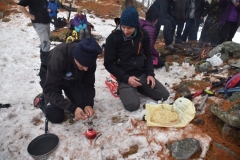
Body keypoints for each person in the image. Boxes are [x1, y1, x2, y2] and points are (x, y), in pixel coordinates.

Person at [104, 7, 169, 112]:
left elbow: (148, 55)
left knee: (164, 95)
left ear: (136, 25)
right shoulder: (113, 38)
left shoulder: (143, 34)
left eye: (129, 28)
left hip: (141, 74)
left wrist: (150, 74)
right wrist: (126, 78)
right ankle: (123, 89)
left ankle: (139, 87)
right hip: (125, 75)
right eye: (123, 27)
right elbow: (108, 63)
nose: (125, 31)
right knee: (133, 106)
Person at [36, 38, 102, 123]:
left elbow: (88, 84)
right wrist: (72, 108)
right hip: (50, 80)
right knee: (55, 116)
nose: (86, 69)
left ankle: (71, 95)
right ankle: (42, 99)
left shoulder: (89, 61)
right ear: (75, 57)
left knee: (84, 106)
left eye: (88, 66)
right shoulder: (59, 57)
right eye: (83, 65)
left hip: (72, 79)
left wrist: (88, 104)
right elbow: (50, 89)